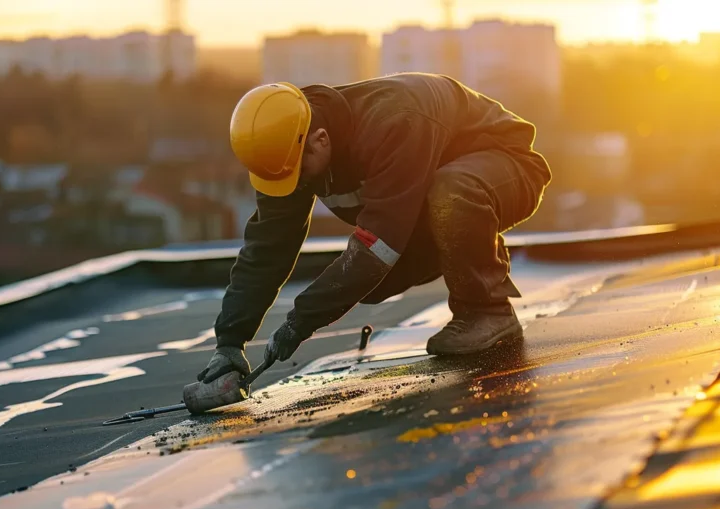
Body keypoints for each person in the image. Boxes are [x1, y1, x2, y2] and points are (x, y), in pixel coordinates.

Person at [197, 72, 552, 385]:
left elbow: (378, 243)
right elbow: (266, 249)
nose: (294, 185)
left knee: (446, 196)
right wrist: (229, 342)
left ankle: (487, 310)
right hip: (431, 198)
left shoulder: (394, 121)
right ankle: (476, 247)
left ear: (320, 140)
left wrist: (299, 321)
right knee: (369, 281)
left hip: (507, 168)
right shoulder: (286, 150)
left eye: (298, 175)